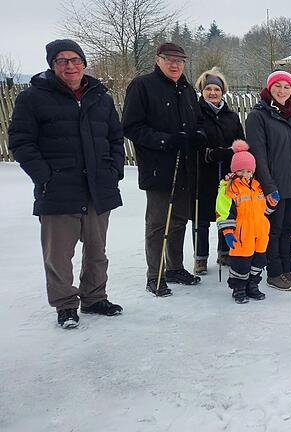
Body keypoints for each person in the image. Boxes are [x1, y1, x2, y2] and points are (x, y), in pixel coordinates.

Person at [9, 38, 124, 328]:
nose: (70, 66)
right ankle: (65, 305)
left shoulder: (101, 97)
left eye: (75, 60)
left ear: (84, 63)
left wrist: (113, 171)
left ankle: (95, 297)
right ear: (52, 65)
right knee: (59, 254)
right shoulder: (33, 98)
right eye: (62, 61)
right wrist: (44, 176)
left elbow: (115, 139)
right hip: (57, 189)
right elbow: (21, 142)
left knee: (97, 250)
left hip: (97, 187)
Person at [123, 42, 205, 296]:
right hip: (159, 168)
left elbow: (198, 121)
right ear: (158, 60)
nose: (175, 65)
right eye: (169, 59)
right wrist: (164, 140)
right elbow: (130, 126)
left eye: (180, 61)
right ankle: (155, 275)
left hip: (185, 167)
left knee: (180, 218)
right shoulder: (143, 86)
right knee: (159, 222)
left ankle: (175, 267)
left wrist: (199, 134)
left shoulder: (187, 89)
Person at [246, 70, 291, 291]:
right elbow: (258, 155)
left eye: (286, 87)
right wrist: (268, 187)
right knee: (274, 230)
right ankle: (274, 273)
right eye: (277, 86)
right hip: (274, 185)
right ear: (269, 88)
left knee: (288, 229)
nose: (282, 90)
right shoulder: (258, 116)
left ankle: (287, 270)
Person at [193, 67, 245, 275]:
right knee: (202, 219)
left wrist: (238, 157)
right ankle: (200, 258)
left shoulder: (230, 116)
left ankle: (225, 252)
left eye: (217, 89)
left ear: (223, 92)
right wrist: (211, 153)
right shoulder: (196, 113)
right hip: (203, 172)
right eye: (209, 89)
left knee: (227, 214)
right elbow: (193, 142)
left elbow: (240, 140)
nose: (213, 93)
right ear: (202, 91)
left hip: (227, 173)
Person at [215, 141, 270, 303]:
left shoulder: (258, 186)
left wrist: (272, 203)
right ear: (234, 170)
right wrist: (227, 232)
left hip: (260, 232)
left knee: (258, 261)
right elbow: (223, 212)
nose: (245, 174)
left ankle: (252, 285)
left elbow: (264, 210)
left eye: (248, 171)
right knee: (241, 263)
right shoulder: (229, 188)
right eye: (241, 170)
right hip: (241, 233)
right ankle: (239, 288)